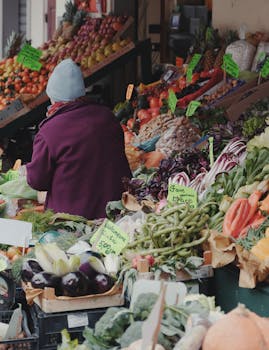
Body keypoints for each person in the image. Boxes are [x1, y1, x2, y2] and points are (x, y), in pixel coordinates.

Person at [26, 58, 132, 219]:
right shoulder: (107, 116)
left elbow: (37, 181)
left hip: (73, 220)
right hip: (117, 212)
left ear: (53, 96)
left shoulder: (49, 131)